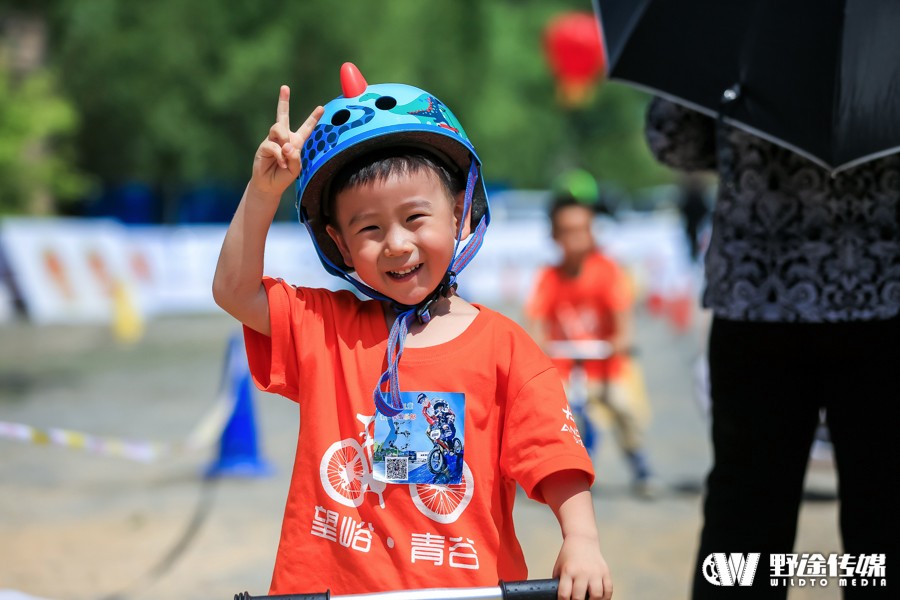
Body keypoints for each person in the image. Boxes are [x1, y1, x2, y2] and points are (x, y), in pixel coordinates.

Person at [212, 63, 612, 599]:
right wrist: (264, 192)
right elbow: (235, 293)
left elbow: (553, 454)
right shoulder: (325, 329)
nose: (397, 244)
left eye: (416, 218)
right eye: (369, 228)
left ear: (460, 215)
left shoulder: (505, 348)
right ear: (339, 243)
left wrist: (581, 537)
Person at [645, 96, 900, 599]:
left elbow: (673, 138)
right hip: (880, 293)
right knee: (886, 511)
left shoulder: (733, 20)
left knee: (747, 517)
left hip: (760, 295)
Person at [524, 171, 656, 499]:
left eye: (581, 231)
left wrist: (621, 341)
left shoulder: (606, 270)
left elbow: (622, 317)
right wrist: (538, 345)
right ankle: (555, 469)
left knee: (625, 408)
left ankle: (639, 462)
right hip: (566, 366)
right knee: (555, 411)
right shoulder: (549, 276)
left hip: (605, 364)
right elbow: (536, 320)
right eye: (567, 233)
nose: (575, 240)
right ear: (555, 236)